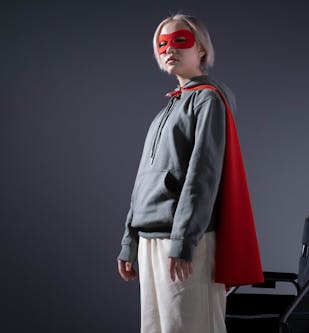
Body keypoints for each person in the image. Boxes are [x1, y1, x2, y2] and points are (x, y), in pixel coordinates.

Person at [116, 14, 263, 333]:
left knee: (191, 328)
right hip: (151, 239)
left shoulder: (208, 99)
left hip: (186, 240)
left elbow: (203, 175)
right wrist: (130, 241)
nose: (170, 48)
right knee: (156, 329)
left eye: (180, 40)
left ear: (201, 49)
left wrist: (183, 242)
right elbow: (144, 181)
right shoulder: (165, 112)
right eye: (162, 43)